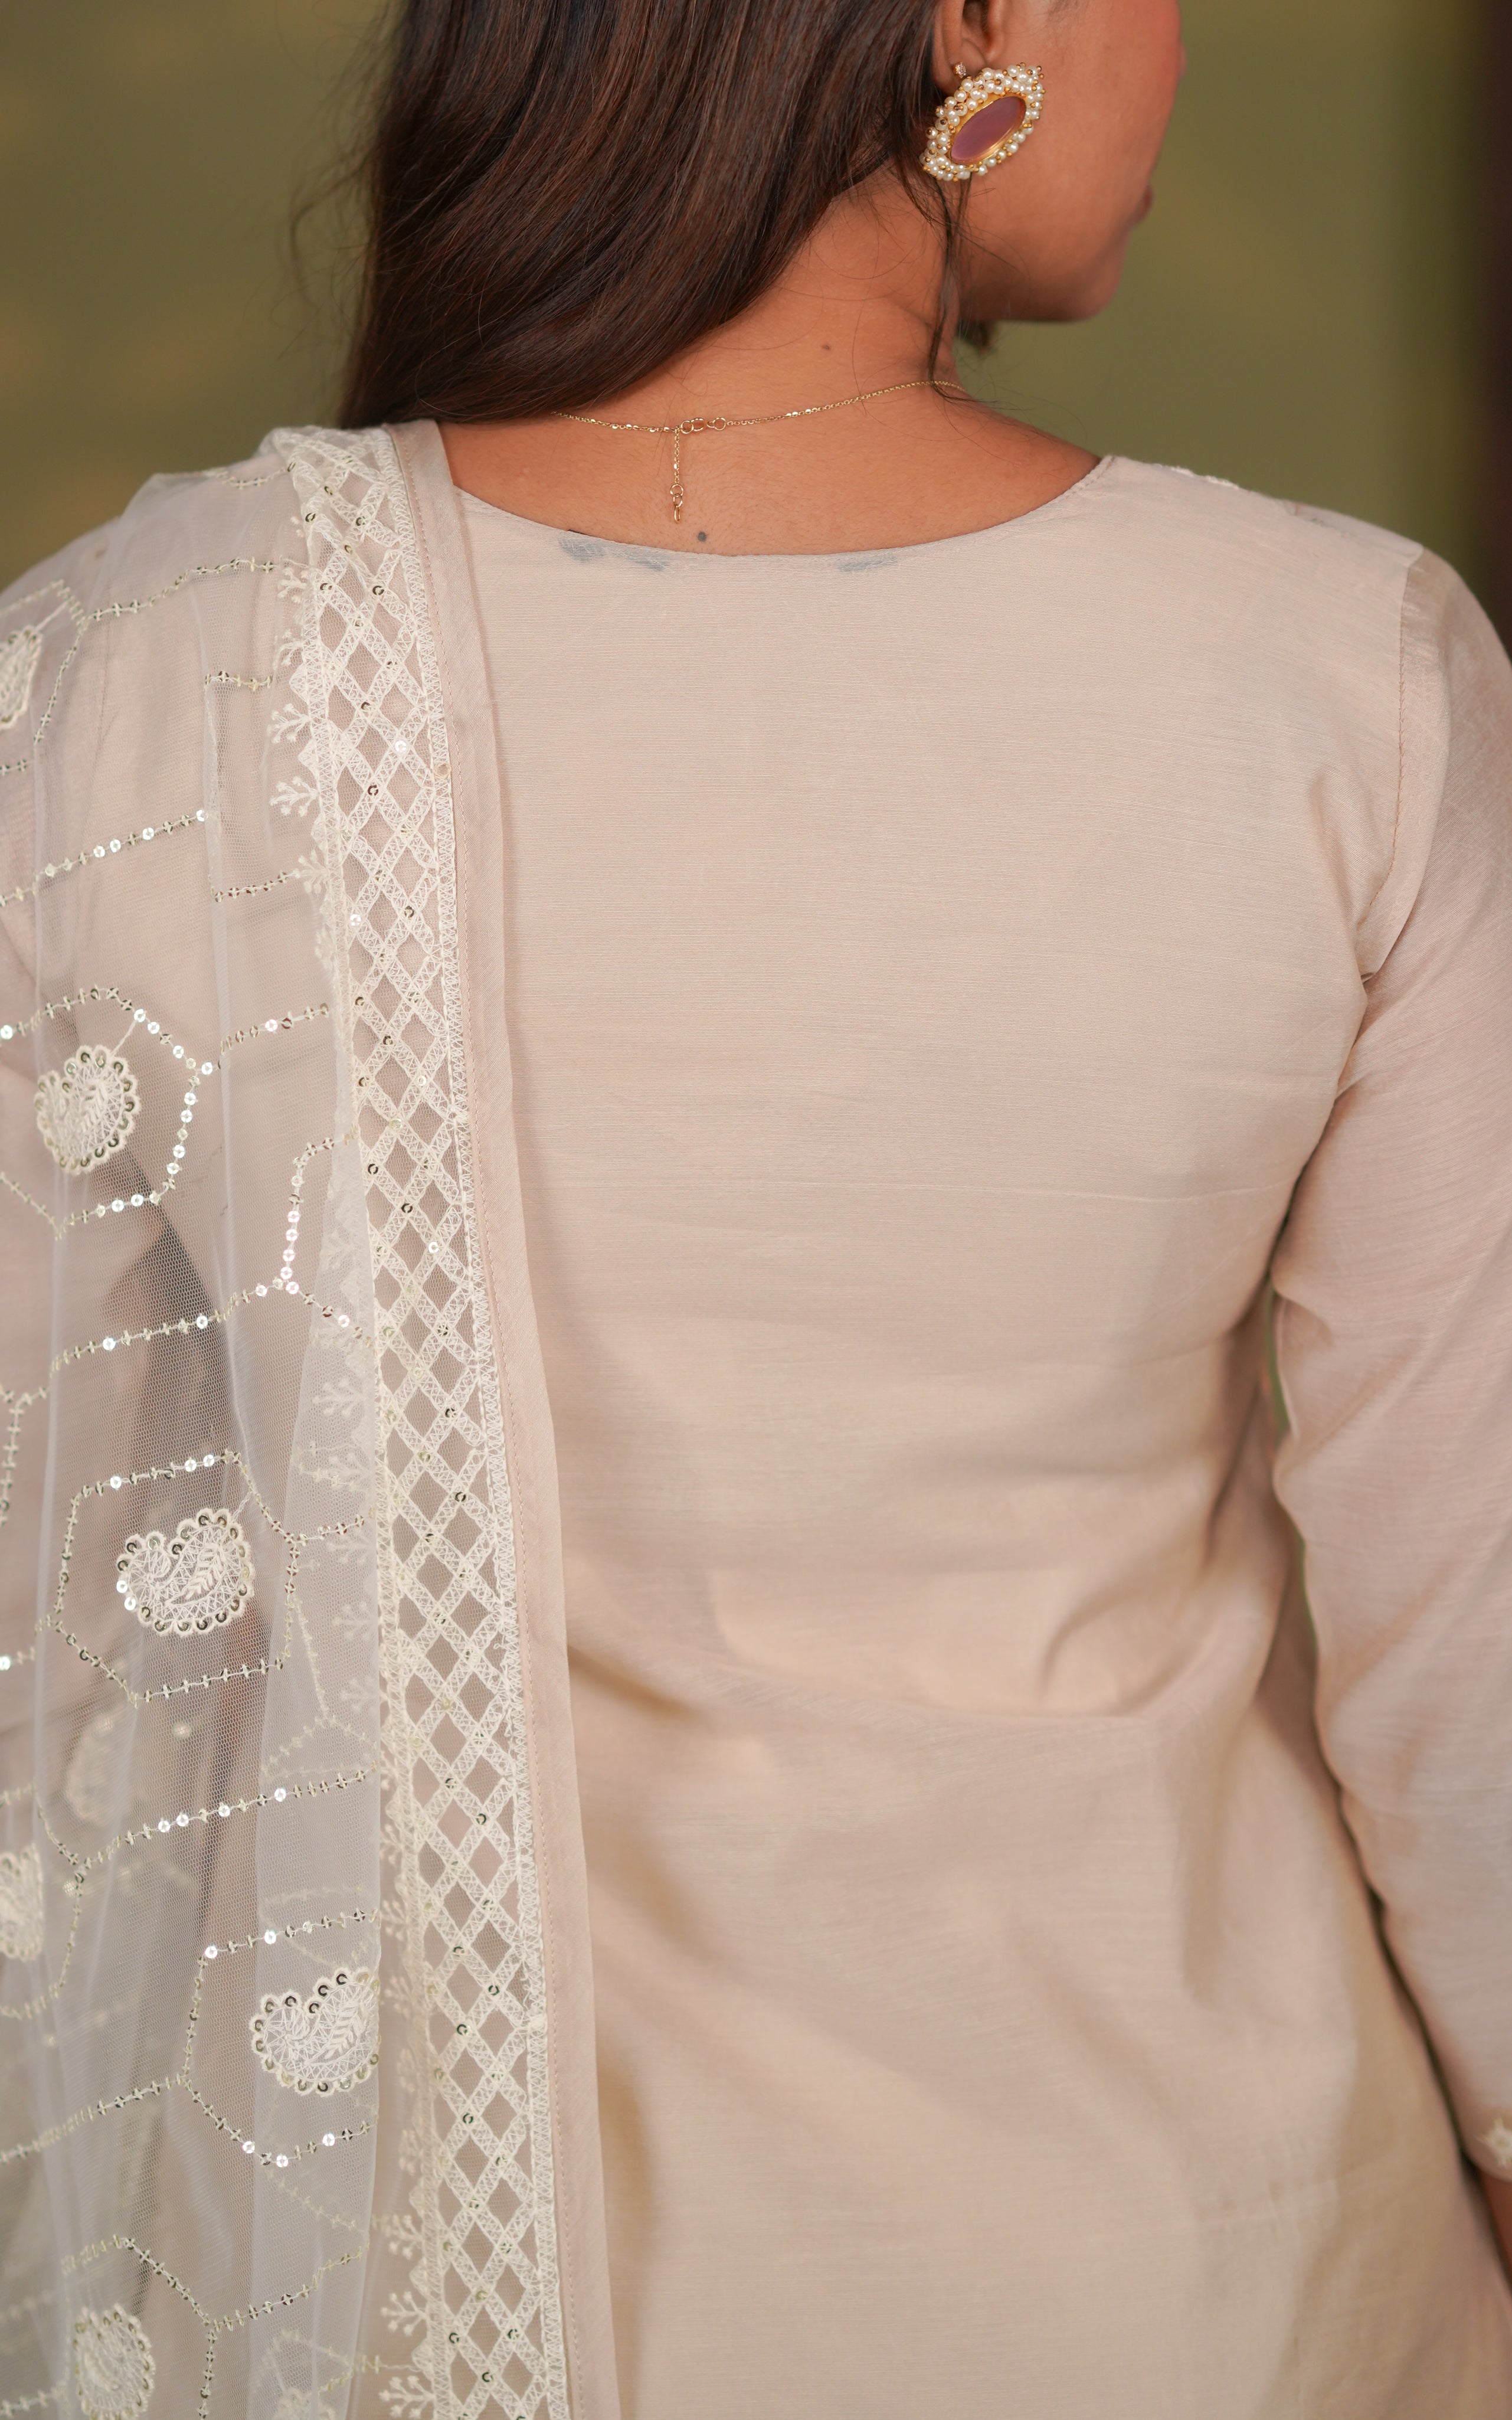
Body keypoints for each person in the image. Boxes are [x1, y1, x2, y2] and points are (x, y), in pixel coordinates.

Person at [1, 0, 1509, 2412]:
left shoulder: (122, 685)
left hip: (392, 2301)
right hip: (1199, 2293)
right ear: (964, 22)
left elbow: (43, 1637)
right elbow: (1477, 1672)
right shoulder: (1340, 687)